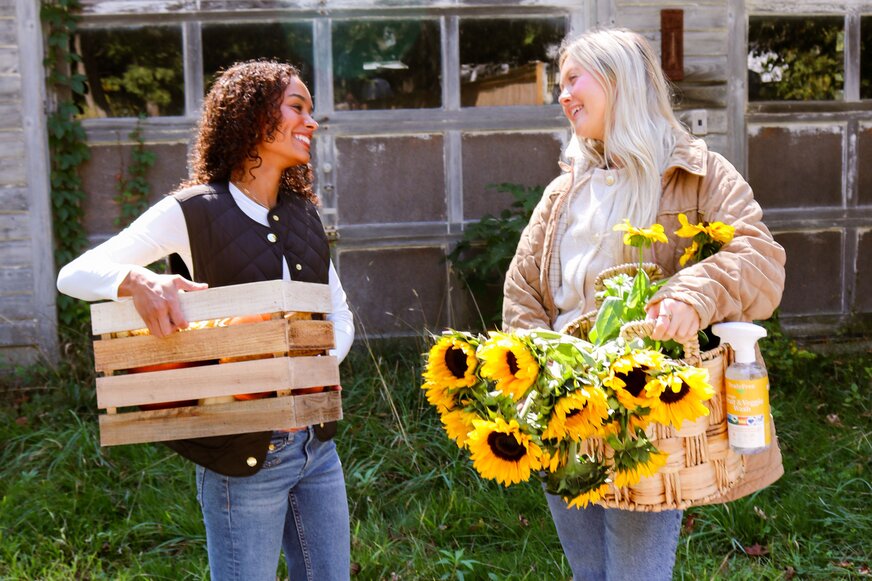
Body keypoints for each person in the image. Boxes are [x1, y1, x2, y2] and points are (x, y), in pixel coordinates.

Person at [502, 29, 786, 580]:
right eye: (560, 85)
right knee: (590, 574)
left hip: (646, 412)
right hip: (566, 409)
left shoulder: (698, 174)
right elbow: (523, 289)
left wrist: (691, 294)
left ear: (618, 80)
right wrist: (536, 364)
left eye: (573, 80)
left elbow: (761, 260)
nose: (562, 96)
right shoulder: (564, 192)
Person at [57, 60, 354, 581]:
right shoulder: (193, 211)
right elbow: (76, 273)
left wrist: (304, 369)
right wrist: (137, 281)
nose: (311, 121)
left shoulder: (304, 214)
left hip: (317, 446)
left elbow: (339, 312)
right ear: (254, 115)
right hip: (240, 459)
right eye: (297, 107)